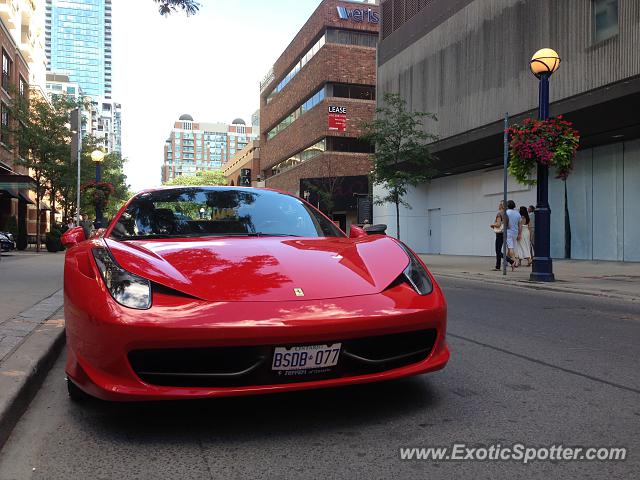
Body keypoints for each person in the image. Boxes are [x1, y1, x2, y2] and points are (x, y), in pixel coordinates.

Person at [490, 200, 506, 270]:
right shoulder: (506, 213)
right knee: (499, 250)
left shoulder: (499, 214)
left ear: (502, 206)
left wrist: (492, 225)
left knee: (497, 250)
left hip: (499, 233)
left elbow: (498, 224)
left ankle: (511, 261)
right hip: (504, 233)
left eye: (500, 204)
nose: (498, 205)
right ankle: (498, 266)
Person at [505, 200, 521, 271]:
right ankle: (506, 261)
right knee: (511, 247)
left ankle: (514, 261)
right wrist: (519, 234)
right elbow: (519, 225)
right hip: (515, 232)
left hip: (508, 232)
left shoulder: (506, 213)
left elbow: (504, 223)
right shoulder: (518, 213)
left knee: (510, 247)